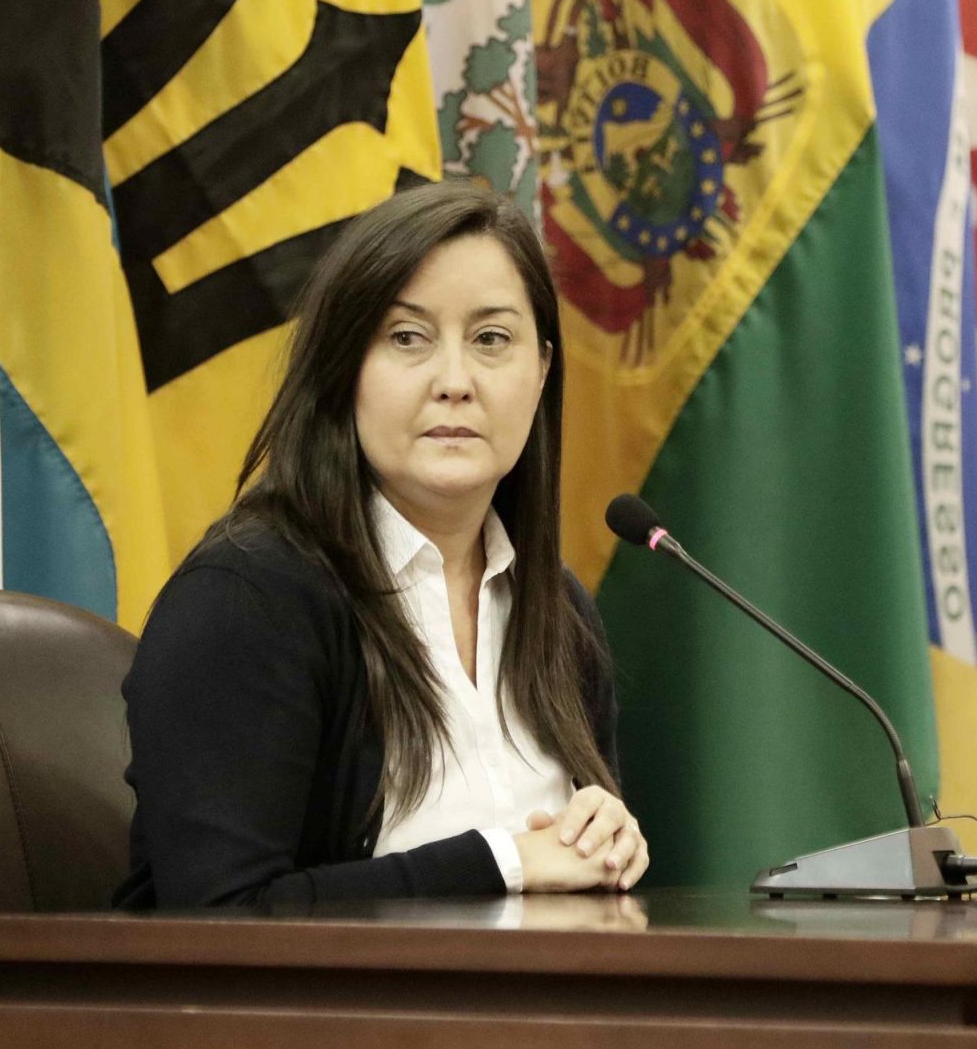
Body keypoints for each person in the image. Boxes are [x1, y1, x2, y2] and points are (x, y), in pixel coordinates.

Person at [113, 181, 647, 908]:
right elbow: (218, 918)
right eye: (407, 338)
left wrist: (604, 843)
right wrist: (503, 862)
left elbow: (563, 881)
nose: (454, 382)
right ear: (345, 369)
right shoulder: (247, 598)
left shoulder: (560, 613)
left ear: (543, 369)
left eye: (492, 340)